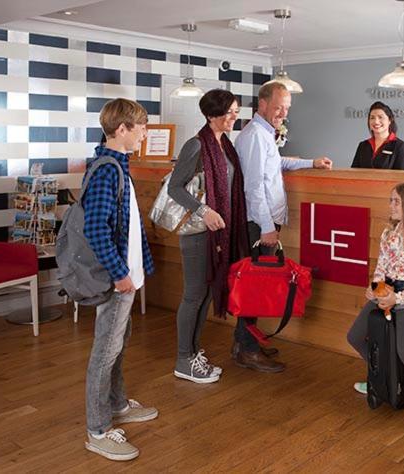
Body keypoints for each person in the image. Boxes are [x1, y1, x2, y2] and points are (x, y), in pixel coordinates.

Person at [234, 81, 333, 372]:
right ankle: (247, 350)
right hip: (258, 223)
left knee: (257, 285)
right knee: (254, 287)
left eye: (286, 108)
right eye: (278, 107)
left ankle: (244, 343)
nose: (282, 113)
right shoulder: (254, 135)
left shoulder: (264, 134)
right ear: (262, 104)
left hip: (265, 222)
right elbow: (253, 188)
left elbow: (275, 164)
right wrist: (267, 227)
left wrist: (310, 162)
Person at [83, 98, 157, 461]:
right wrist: (119, 274)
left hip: (127, 275)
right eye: (141, 127)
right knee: (105, 351)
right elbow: (96, 229)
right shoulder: (107, 169)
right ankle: (97, 429)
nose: (145, 133)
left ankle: (117, 404)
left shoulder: (118, 165)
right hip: (118, 278)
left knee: (118, 343)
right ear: (123, 129)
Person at [167, 89, 248, 384]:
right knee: (193, 295)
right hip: (199, 233)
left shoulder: (225, 145)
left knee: (202, 295)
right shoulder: (196, 145)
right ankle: (182, 359)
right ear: (213, 114)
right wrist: (204, 211)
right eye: (230, 112)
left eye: (236, 112)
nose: (234, 117)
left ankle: (192, 353)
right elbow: (174, 188)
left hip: (216, 234)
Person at [346, 181, 404, 428]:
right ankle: (381, 377)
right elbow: (382, 267)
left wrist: (396, 299)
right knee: (355, 337)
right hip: (388, 288)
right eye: (390, 200)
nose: (391, 205)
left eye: (396, 201)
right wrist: (376, 288)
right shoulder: (389, 233)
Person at [351, 101, 404, 170]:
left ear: (389, 120)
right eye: (372, 118)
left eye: (380, 117)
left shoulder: (400, 146)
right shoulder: (363, 145)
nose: (376, 121)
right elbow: (354, 173)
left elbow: (403, 177)